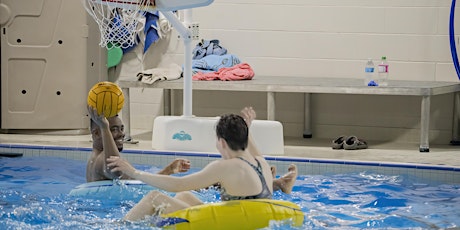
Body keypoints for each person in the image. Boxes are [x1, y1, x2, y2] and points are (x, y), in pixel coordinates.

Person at [107, 107, 297, 221]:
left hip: (233, 223)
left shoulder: (225, 167)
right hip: (253, 217)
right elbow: (249, 143)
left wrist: (134, 172)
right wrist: (247, 125)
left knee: (154, 198)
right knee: (184, 196)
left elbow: (179, 183)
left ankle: (119, 227)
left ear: (222, 142)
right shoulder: (261, 162)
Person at [86, 105, 191, 182]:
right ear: (96, 133)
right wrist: (104, 128)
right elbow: (116, 171)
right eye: (113, 130)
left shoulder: (96, 158)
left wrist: (169, 170)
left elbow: (139, 184)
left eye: (121, 128)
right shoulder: (101, 159)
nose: (121, 134)